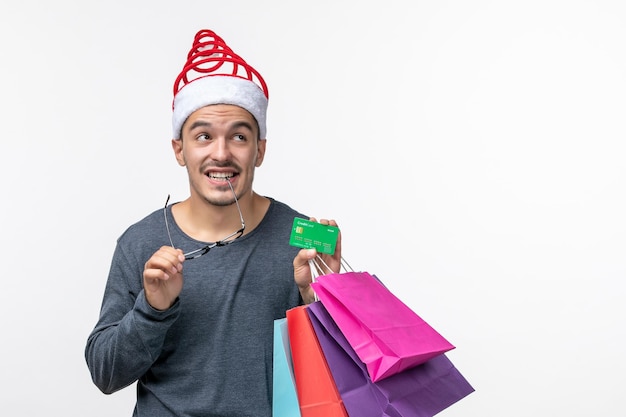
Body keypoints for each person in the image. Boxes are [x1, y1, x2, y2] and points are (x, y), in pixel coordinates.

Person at [85, 28, 342, 417]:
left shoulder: (302, 241)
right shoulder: (140, 243)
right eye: (203, 136)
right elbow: (105, 375)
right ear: (179, 150)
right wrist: (152, 308)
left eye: (238, 136)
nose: (221, 154)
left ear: (260, 150)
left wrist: (323, 300)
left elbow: (341, 383)